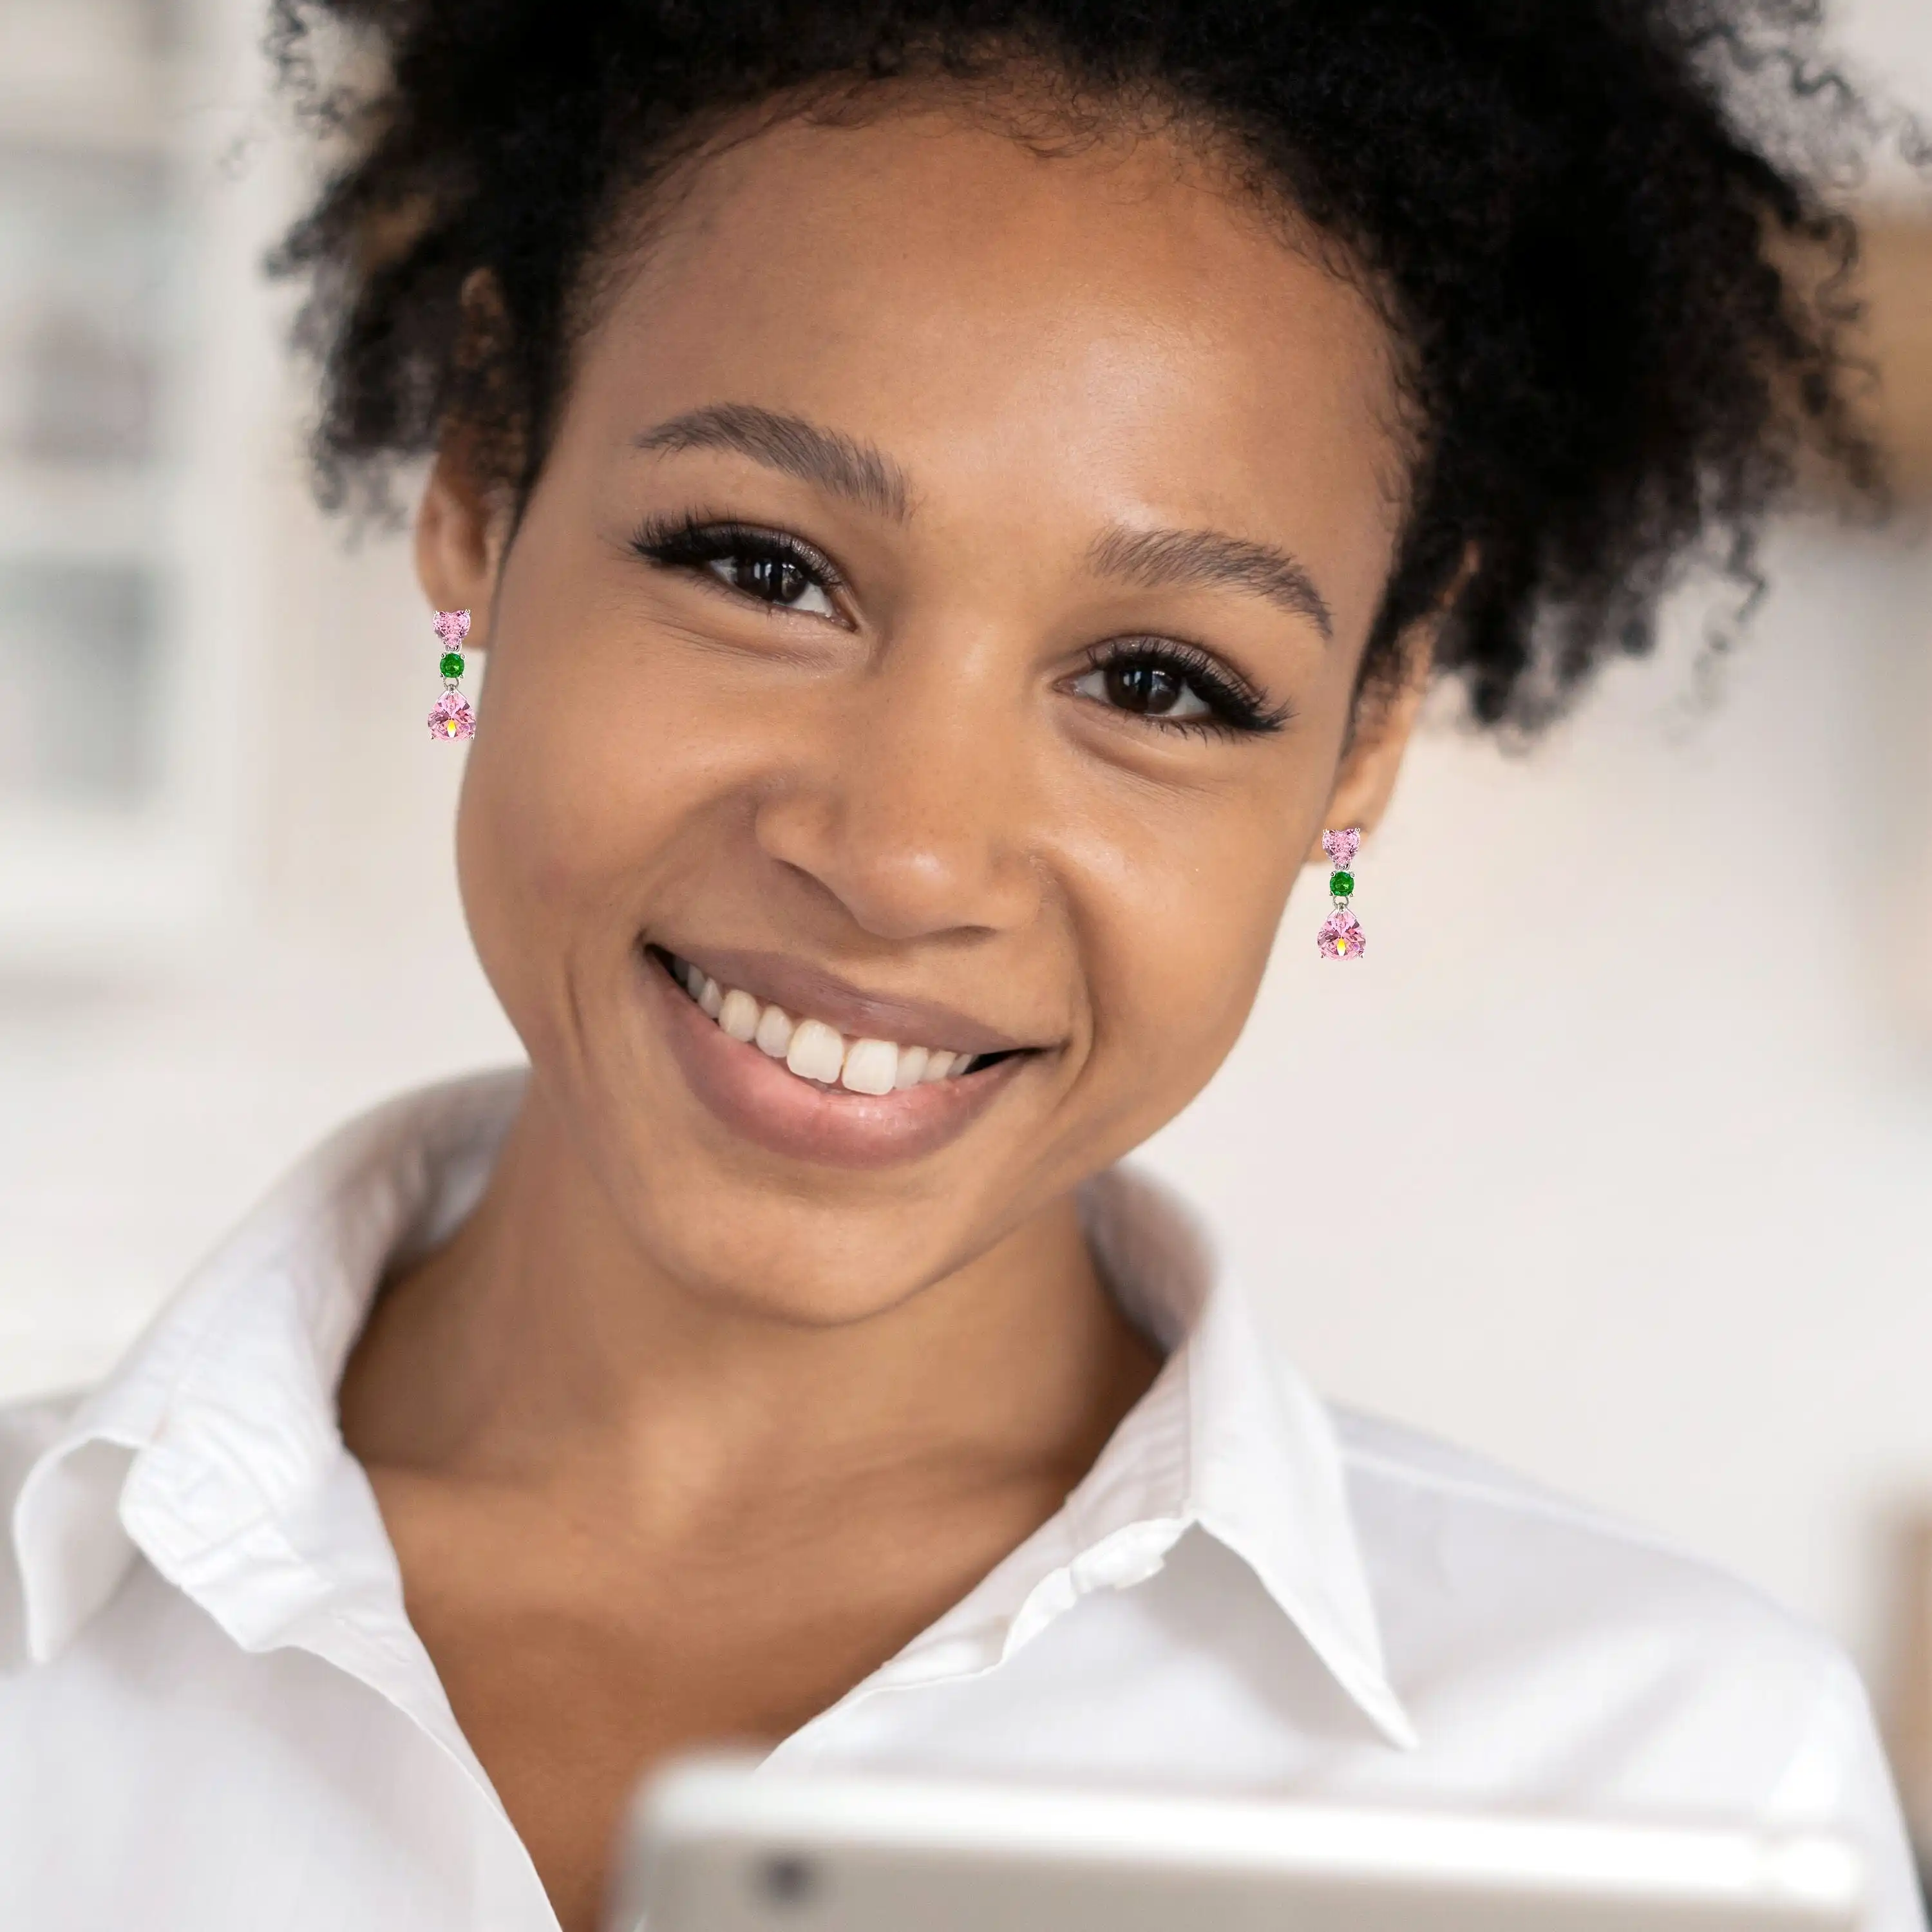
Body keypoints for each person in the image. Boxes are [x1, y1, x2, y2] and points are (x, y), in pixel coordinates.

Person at [1, 3, 1923, 1929]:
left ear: (1363, 743)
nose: (905, 857)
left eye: (1158, 683)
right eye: (762, 568)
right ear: (485, 495)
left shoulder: (1657, 1778)